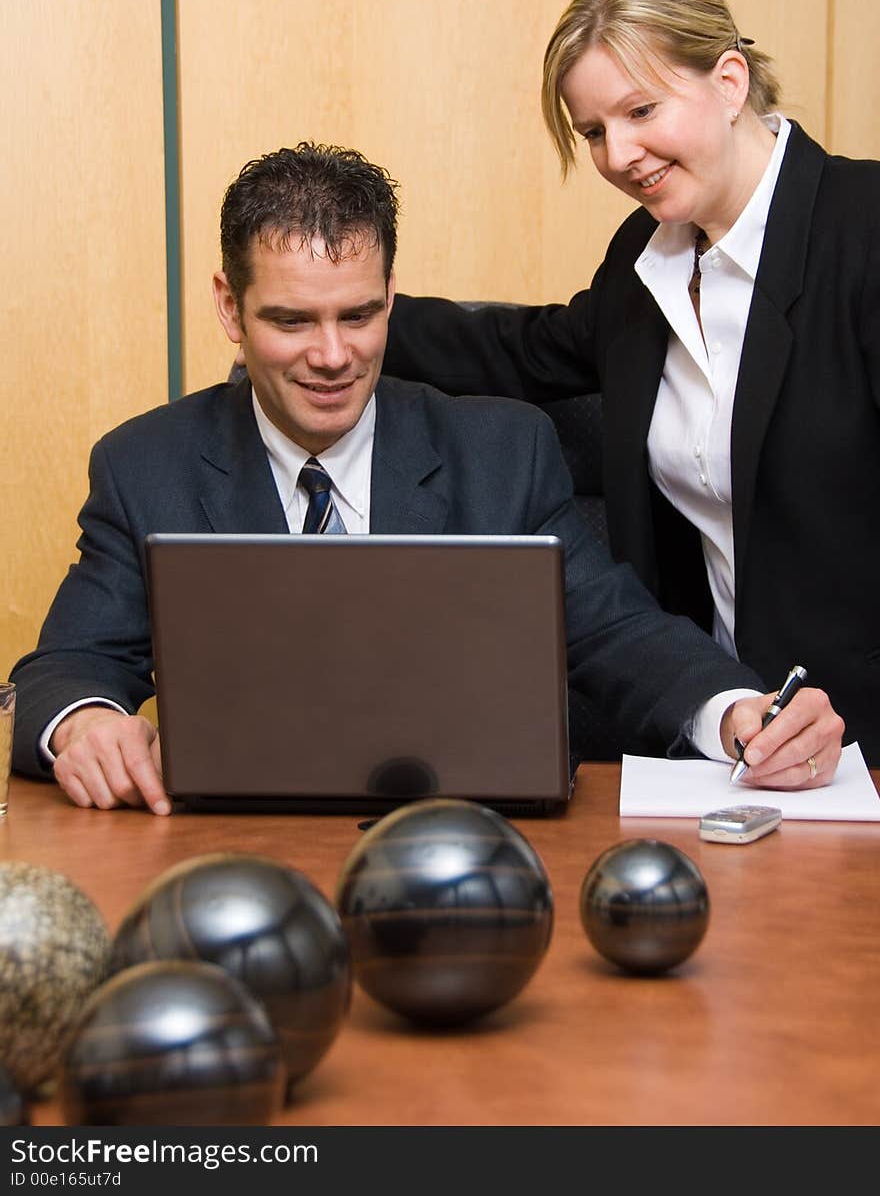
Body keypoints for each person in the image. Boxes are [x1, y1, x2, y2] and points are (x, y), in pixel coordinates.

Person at [10, 141, 841, 814]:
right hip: (232, 858)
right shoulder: (143, 463)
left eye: (360, 315)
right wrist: (85, 723)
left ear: (391, 296)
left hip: (463, 844)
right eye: (292, 319)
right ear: (230, 307)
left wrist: (735, 711)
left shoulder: (502, 450)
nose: (332, 355)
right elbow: (61, 669)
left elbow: (613, 631)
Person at [383, 0, 874, 771]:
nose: (618, 154)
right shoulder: (642, 260)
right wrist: (349, 313)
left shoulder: (864, 230)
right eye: (595, 132)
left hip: (862, 743)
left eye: (641, 110)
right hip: (723, 735)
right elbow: (522, 351)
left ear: (728, 80)